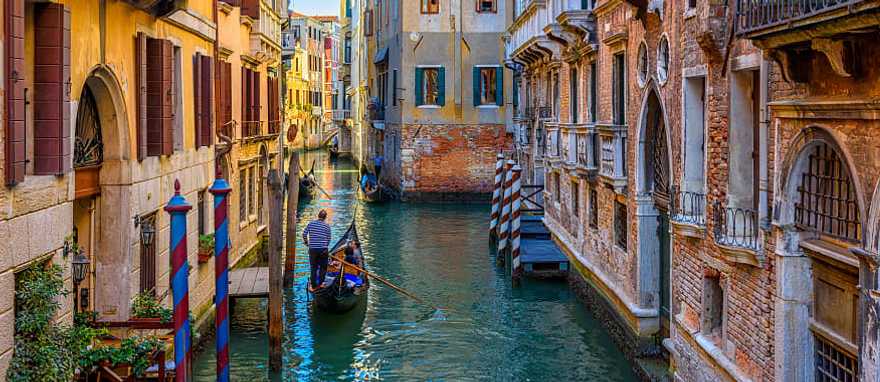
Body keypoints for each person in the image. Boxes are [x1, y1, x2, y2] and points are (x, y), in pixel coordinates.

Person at [303, 210, 332, 289]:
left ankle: (313, 285)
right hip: (323, 250)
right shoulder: (327, 226)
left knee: (313, 267)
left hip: (312, 249)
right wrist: (325, 246)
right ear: (325, 217)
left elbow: (304, 234)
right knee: (323, 267)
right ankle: (321, 284)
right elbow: (329, 238)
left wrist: (306, 242)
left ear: (318, 216)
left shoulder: (311, 223)